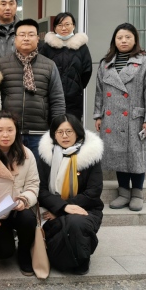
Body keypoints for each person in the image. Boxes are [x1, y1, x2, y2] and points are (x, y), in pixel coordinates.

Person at [94, 23, 146, 211]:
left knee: (136, 156)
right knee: (118, 154)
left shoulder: (145, 61)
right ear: (114, 40)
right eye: (119, 37)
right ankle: (123, 192)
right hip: (111, 118)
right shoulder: (106, 63)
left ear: (135, 39)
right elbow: (100, 92)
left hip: (136, 118)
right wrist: (98, 115)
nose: (123, 41)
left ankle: (137, 192)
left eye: (127, 37)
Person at [0, 111, 39, 276]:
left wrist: (25, 199)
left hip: (17, 208)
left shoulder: (27, 154)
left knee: (28, 218)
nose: (5, 135)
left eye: (10, 130)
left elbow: (33, 184)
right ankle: (5, 238)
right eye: (0, 130)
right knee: (3, 253)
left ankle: (24, 252)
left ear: (16, 131)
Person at [37, 114, 104, 275]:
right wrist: (61, 207)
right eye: (60, 132)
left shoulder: (90, 157)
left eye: (69, 131)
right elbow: (41, 190)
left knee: (75, 222)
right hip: (50, 209)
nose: (64, 136)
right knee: (61, 226)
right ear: (54, 134)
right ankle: (63, 259)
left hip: (86, 208)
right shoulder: (46, 156)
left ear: (78, 133)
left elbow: (93, 192)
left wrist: (63, 209)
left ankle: (80, 260)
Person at [0, 18, 65, 162]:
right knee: (9, 170)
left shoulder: (49, 65)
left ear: (38, 39)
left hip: (40, 133)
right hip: (9, 133)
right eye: (22, 34)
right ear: (15, 39)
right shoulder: (0, 64)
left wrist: (57, 128)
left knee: (38, 172)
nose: (26, 38)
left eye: (31, 34)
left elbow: (57, 100)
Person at [39, 12, 92, 119]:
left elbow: (87, 70)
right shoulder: (47, 47)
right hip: (50, 98)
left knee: (72, 127)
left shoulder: (81, 47)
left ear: (73, 26)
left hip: (74, 99)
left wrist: (76, 86)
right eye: (60, 25)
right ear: (54, 28)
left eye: (67, 24)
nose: (64, 28)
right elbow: (41, 69)